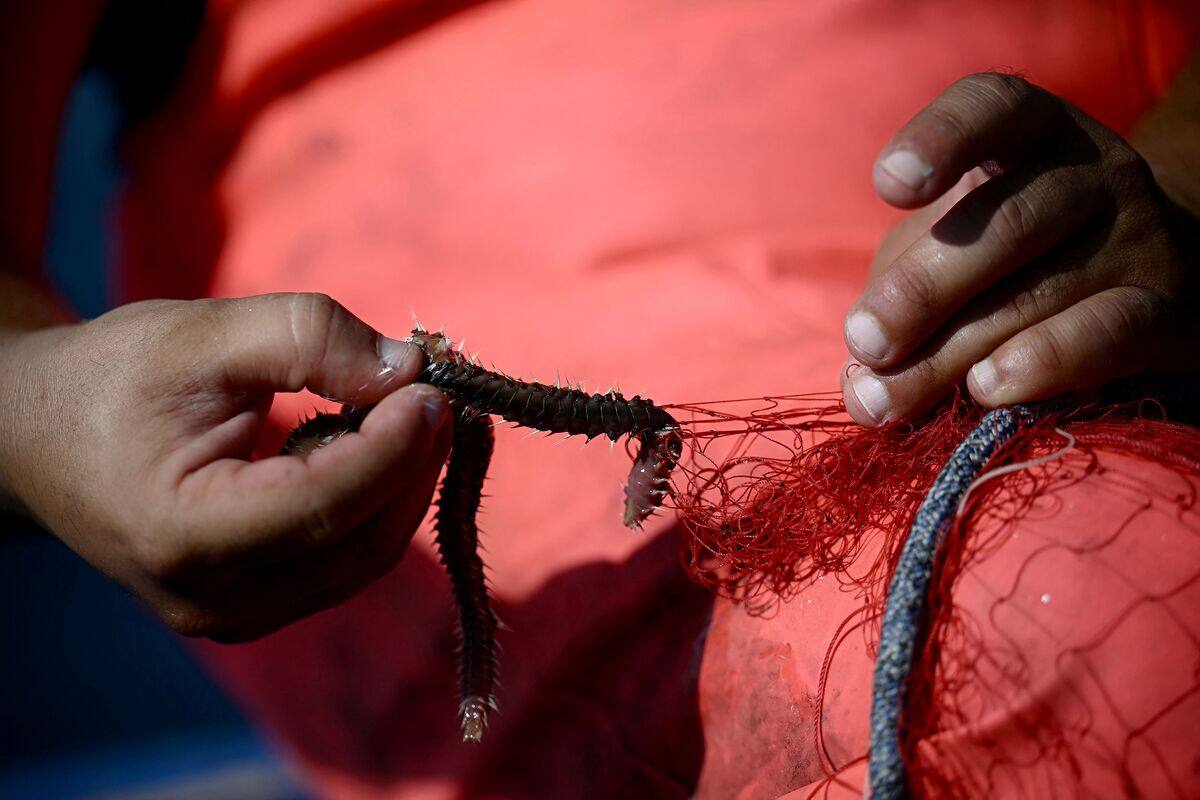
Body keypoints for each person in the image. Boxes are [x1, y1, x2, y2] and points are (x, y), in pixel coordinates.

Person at [2, 2, 1198, 797]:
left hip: (1099, 279)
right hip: (480, 366)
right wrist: (36, 407)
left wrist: (1182, 188)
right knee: (1047, 617)